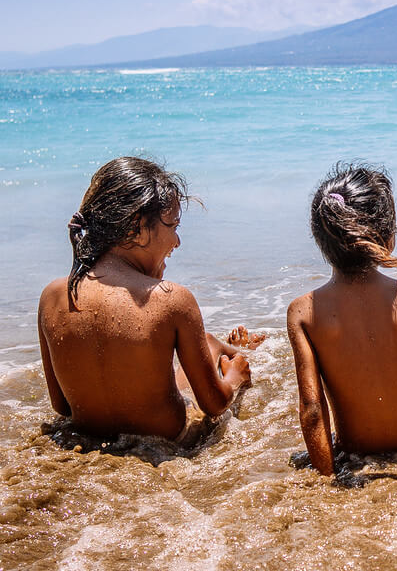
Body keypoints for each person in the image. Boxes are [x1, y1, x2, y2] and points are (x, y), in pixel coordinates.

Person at [37, 156, 256, 445]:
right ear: (137, 229)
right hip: (171, 441)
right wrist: (235, 379)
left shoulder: (54, 295)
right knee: (222, 369)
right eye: (173, 226)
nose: (177, 241)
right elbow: (213, 405)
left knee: (203, 342)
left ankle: (213, 344)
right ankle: (229, 354)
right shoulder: (173, 299)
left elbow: (62, 406)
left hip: (91, 437)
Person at [287, 163, 397, 476]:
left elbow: (312, 411)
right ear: (388, 238)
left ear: (320, 240)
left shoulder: (303, 313)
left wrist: (329, 478)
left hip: (354, 455)